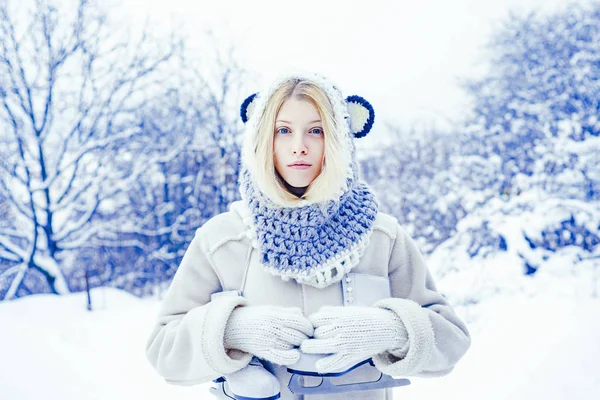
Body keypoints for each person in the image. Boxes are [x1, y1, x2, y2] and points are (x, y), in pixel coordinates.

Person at [145, 72, 471, 400]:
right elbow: (164, 351)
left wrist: (390, 331)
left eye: (316, 131)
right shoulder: (222, 239)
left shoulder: (382, 237)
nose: (299, 147)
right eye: (283, 131)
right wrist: (231, 331)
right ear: (261, 139)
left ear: (339, 139)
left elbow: (451, 341)